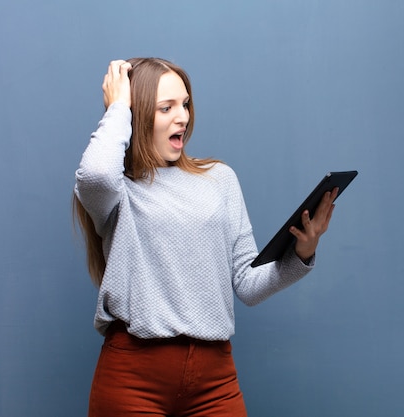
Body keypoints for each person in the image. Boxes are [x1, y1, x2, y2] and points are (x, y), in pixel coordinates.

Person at [73, 57, 338, 417]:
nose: (182, 116)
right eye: (165, 107)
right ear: (136, 115)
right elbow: (95, 176)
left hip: (215, 381)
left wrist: (302, 253)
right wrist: (119, 106)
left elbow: (247, 284)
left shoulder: (219, 179)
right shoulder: (119, 190)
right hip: (133, 377)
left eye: (184, 103)